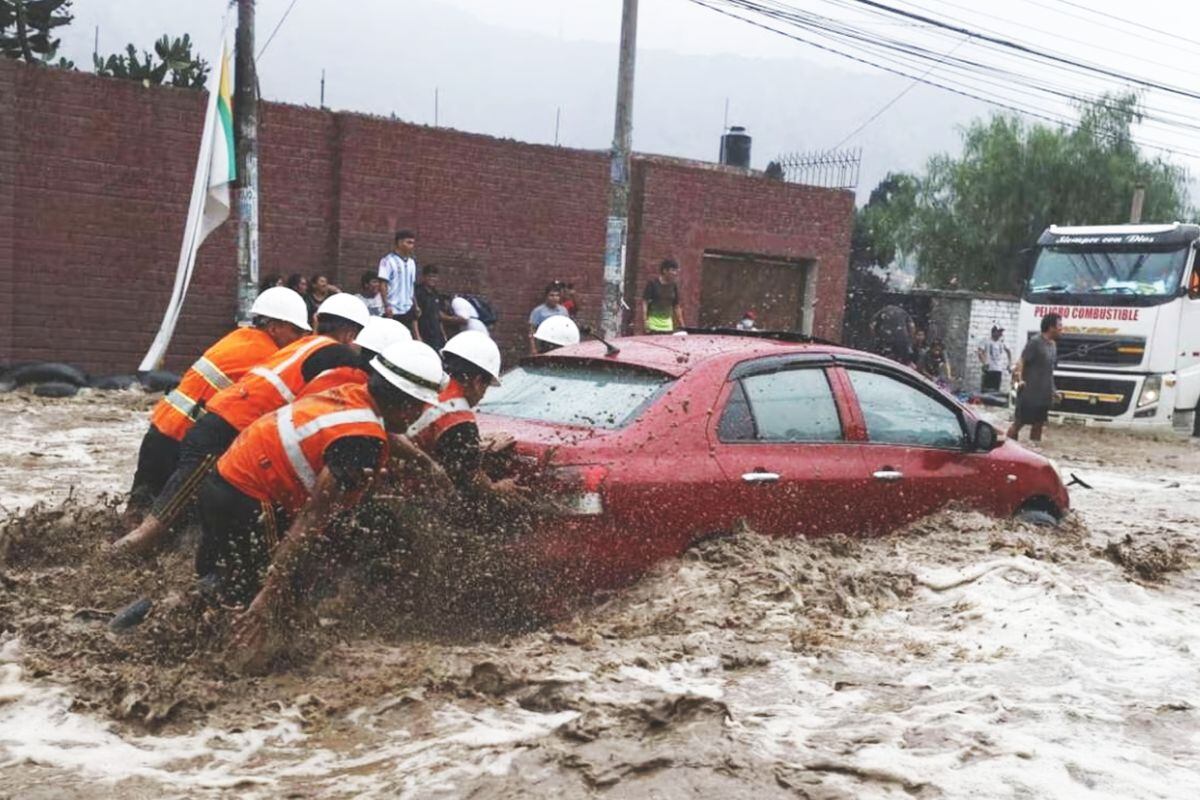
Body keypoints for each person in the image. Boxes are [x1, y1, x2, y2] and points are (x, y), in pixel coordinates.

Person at [206, 340, 446, 669]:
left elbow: (381, 429)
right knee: (257, 600)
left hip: (226, 477)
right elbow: (310, 519)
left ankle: (154, 632)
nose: (420, 414)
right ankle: (235, 675)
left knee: (222, 586)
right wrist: (269, 593)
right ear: (406, 405)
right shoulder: (361, 443)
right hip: (251, 498)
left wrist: (424, 461)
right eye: (420, 405)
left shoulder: (353, 393)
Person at [111, 294, 373, 556]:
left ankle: (116, 549)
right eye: (294, 329)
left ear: (317, 321)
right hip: (212, 436)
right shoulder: (327, 356)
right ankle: (111, 559)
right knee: (156, 526)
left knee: (152, 511)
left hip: (171, 428)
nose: (298, 335)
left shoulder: (280, 345)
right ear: (350, 335)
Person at [126, 287, 311, 519]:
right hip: (187, 444)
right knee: (172, 523)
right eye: (295, 331)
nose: (299, 339)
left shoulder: (237, 338)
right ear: (274, 327)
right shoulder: (268, 356)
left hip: (160, 430)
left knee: (137, 510)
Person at [404, 331, 526, 500]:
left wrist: (476, 444)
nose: (483, 394)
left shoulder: (428, 386)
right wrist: (499, 488)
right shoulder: (458, 416)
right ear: (477, 382)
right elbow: (469, 479)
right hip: (411, 492)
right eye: (486, 386)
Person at [1008, 313, 1063, 443]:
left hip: (1044, 395)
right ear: (1051, 327)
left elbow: (1049, 372)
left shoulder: (1053, 346)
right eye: (1060, 325)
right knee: (1019, 424)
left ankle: (1034, 451)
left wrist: (1054, 391)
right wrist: (1020, 380)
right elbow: (1021, 361)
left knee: (1038, 425)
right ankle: (1007, 447)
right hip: (1029, 392)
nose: (1062, 329)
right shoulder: (1035, 342)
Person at [378, 229, 420, 338]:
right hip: (393, 309)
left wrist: (416, 305)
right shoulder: (387, 260)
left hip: (407, 308)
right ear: (400, 242)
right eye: (409, 242)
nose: (412, 246)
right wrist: (386, 305)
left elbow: (411, 286)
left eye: (413, 243)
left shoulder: (412, 262)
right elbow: (383, 284)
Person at [415, 265, 454, 350]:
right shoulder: (418, 293)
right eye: (430, 276)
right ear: (424, 277)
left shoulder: (436, 294)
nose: (432, 279)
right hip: (423, 334)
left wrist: (444, 335)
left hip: (436, 336)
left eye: (434, 276)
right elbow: (415, 317)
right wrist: (417, 336)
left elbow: (438, 317)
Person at [642, 259, 684, 334]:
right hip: (653, 324)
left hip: (668, 325)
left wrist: (682, 325)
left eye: (676, 271)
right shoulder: (653, 284)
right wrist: (645, 321)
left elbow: (676, 306)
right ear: (665, 271)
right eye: (673, 270)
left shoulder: (673, 286)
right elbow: (645, 302)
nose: (675, 273)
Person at [528, 283, 570, 354]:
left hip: (560, 343)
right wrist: (533, 348)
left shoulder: (563, 311)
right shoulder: (538, 311)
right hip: (543, 344)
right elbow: (532, 331)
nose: (554, 298)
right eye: (552, 295)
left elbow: (567, 328)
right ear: (546, 296)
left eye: (557, 295)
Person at [977, 326, 1012, 392]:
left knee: (996, 390)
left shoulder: (1002, 342)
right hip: (988, 369)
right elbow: (979, 352)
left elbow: (1008, 351)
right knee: (986, 389)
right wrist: (984, 363)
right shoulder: (986, 340)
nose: (1001, 334)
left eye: (1001, 332)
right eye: (999, 332)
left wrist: (1009, 363)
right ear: (994, 332)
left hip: (998, 369)